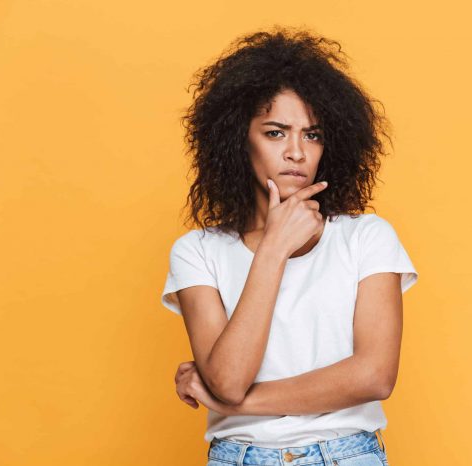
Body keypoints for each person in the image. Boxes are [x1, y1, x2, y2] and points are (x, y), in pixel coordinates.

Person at [161, 26, 419, 466]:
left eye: (313, 134)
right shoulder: (197, 251)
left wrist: (234, 404)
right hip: (238, 457)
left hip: (347, 455)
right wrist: (274, 249)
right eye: (276, 133)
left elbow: (375, 376)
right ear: (238, 141)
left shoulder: (367, 238)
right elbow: (226, 378)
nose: (297, 152)